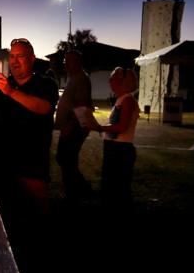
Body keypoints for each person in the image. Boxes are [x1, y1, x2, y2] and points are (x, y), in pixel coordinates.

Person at [0, 38, 58, 219]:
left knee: (34, 217)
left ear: (32, 59)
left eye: (20, 56)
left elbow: (43, 108)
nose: (14, 61)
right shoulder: (1, 84)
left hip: (30, 166)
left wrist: (11, 92)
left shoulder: (46, 83)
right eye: (12, 56)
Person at [93, 67, 140, 214]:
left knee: (118, 189)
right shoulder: (121, 99)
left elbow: (121, 127)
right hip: (114, 148)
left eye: (113, 78)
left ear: (123, 81)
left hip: (121, 151)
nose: (109, 81)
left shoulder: (127, 100)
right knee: (111, 187)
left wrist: (100, 128)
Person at [54, 50, 95, 202]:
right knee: (66, 159)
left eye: (68, 61)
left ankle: (78, 189)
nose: (65, 64)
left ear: (78, 62)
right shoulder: (74, 78)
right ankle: (76, 189)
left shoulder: (81, 79)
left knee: (65, 158)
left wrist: (69, 125)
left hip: (74, 127)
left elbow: (81, 105)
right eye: (65, 61)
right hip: (71, 126)